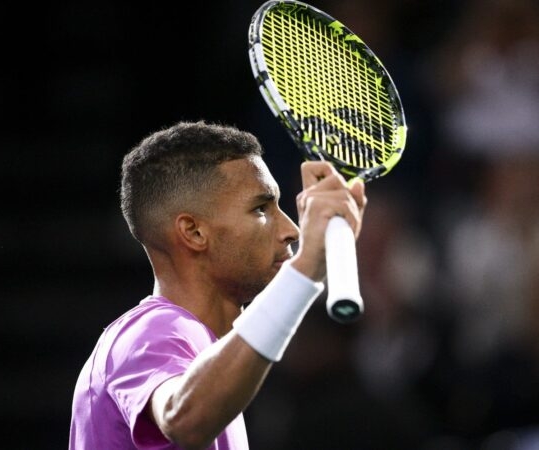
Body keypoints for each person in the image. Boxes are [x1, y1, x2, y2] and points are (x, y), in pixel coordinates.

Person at [69, 121, 367, 450]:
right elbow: (184, 419)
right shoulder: (149, 332)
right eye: (261, 209)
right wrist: (304, 268)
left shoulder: (213, 366)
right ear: (194, 232)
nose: (291, 230)